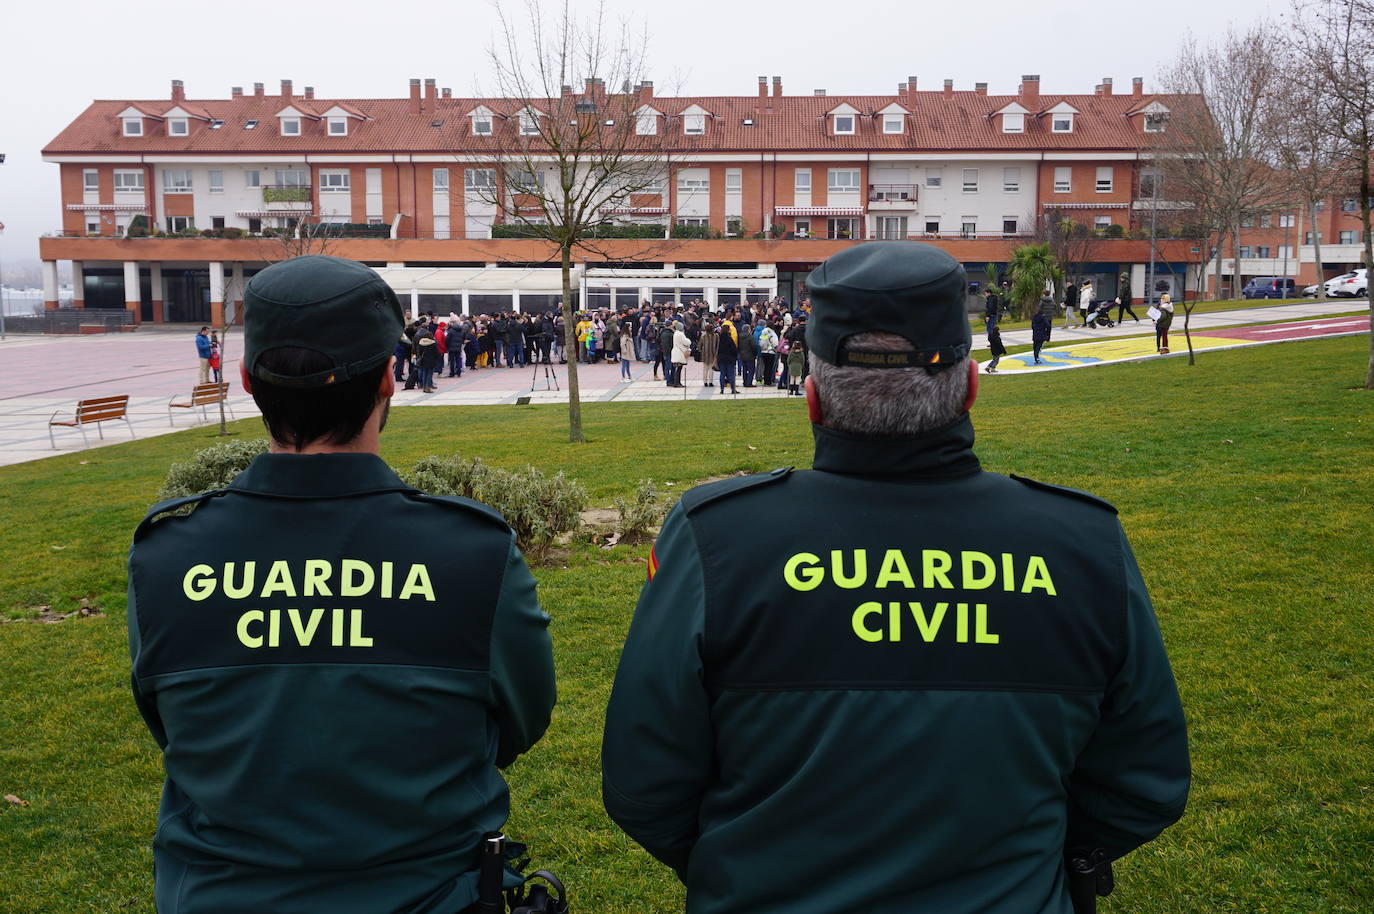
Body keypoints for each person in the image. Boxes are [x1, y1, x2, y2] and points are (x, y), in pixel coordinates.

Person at [602, 241, 1189, 914]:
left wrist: (748, 868)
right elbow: (1145, 780)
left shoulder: (718, 538)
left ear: (812, 398)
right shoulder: (1081, 544)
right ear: (970, 387)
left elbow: (644, 780)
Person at [127, 255, 555, 914]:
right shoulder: (470, 553)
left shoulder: (169, 555)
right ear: (390, 376)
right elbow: (522, 721)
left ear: (244, 379)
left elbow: (171, 722)